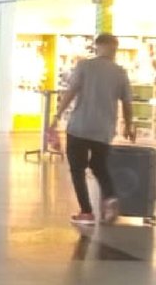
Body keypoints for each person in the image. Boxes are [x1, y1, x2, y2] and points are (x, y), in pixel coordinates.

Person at [54, 33, 135, 226]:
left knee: (77, 169)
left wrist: (56, 116)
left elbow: (71, 92)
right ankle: (111, 197)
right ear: (114, 48)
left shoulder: (85, 66)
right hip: (104, 129)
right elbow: (127, 102)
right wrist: (129, 125)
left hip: (79, 127)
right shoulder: (120, 72)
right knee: (99, 166)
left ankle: (86, 212)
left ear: (97, 46)